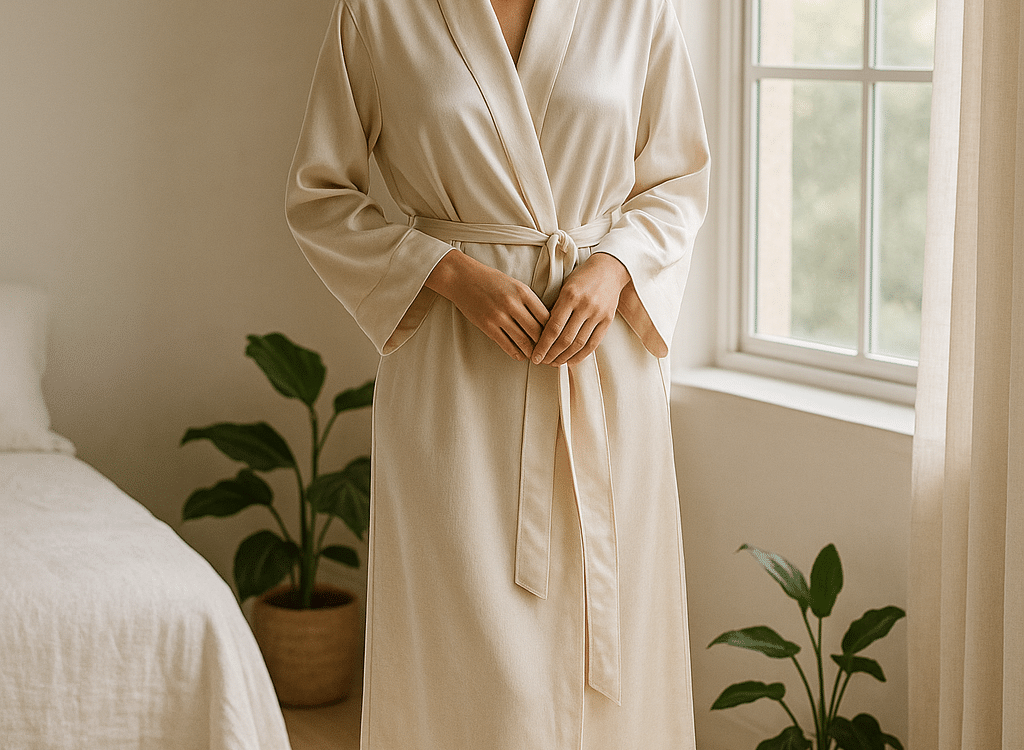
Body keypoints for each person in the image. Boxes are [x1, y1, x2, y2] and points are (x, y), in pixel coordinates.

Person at [285, 0, 710, 746]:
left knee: (601, 635)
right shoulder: (379, 13)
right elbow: (320, 197)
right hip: (453, 373)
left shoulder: (635, 9)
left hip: (600, 364)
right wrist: (448, 272)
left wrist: (614, 266)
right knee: (466, 653)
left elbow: (677, 181)